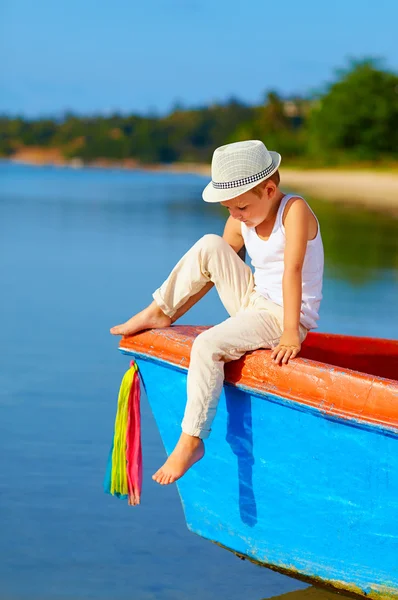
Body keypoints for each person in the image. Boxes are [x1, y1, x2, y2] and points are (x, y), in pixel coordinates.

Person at [110, 140, 324, 486]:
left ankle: (193, 439)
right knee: (210, 244)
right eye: (229, 208)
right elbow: (219, 261)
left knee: (207, 345)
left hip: (285, 315)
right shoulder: (241, 217)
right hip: (255, 301)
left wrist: (288, 333)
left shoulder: (293, 211)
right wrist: (200, 305)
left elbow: (293, 271)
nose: (235, 215)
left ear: (270, 189)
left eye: (240, 207)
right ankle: (159, 311)